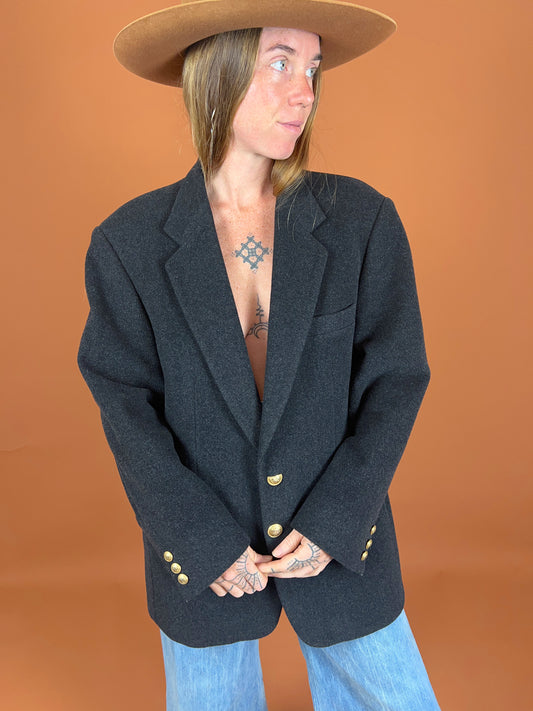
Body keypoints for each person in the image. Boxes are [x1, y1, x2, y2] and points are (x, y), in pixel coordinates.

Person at [78, 1, 441, 709]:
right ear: (216, 71)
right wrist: (195, 538)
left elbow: (395, 381)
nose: (304, 91)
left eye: (313, 69)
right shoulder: (127, 244)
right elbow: (126, 409)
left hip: (342, 542)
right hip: (202, 558)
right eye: (280, 62)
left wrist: (337, 521)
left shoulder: (363, 221)